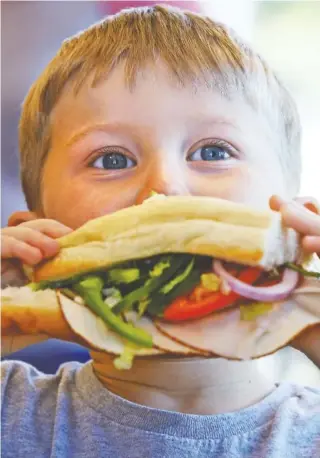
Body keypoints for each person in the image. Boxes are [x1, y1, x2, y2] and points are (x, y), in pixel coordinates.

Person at [1, 5, 320, 457]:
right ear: (36, 233)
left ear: (296, 222)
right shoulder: (14, 410)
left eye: (212, 150)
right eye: (111, 160)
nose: (165, 186)